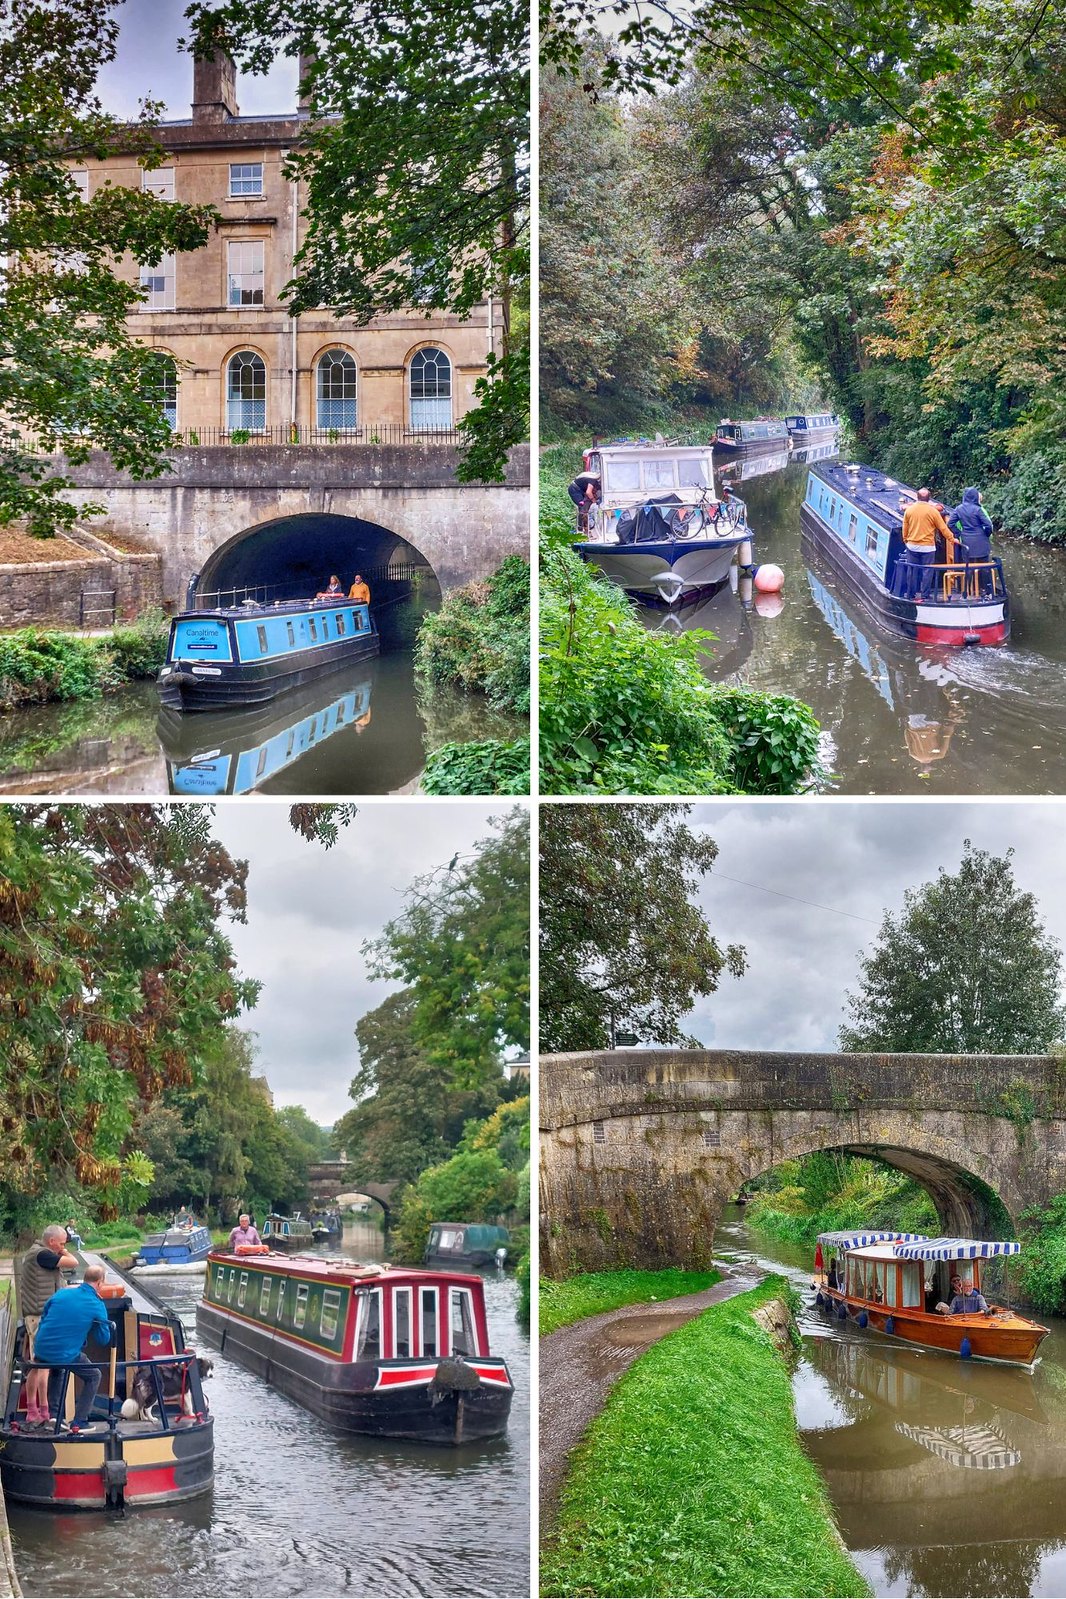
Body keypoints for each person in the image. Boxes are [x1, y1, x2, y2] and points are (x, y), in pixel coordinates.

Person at [31, 1265, 114, 1433]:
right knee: (94, 1375)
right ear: (100, 1283)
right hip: (64, 1352)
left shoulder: (62, 1293)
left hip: (40, 1347)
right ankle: (80, 1421)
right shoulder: (96, 1304)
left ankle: (55, 1417)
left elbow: (46, 1314)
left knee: (58, 1368)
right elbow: (103, 1339)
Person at [18, 1225, 79, 1427]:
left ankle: (36, 1410)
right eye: (61, 1243)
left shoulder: (40, 1255)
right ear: (52, 1241)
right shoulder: (42, 1254)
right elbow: (73, 1262)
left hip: (40, 1314)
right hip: (39, 1316)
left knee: (38, 1364)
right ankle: (42, 1411)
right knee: (42, 1365)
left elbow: (55, 1282)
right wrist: (64, 1252)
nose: (62, 1247)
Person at [901, 488, 953, 602]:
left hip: (912, 545)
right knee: (927, 571)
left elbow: (905, 527)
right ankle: (925, 595)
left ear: (917, 497)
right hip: (928, 547)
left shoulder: (909, 510)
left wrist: (905, 539)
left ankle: (911, 594)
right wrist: (952, 539)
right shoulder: (933, 511)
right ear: (929, 499)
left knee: (912, 569)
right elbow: (943, 528)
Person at [947, 487, 994, 593]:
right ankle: (988, 591)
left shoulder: (959, 509)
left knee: (968, 567)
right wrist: (986, 534)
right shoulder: (978, 509)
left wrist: (959, 533)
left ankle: (967, 591)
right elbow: (988, 525)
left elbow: (950, 524)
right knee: (985, 567)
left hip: (967, 541)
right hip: (981, 541)